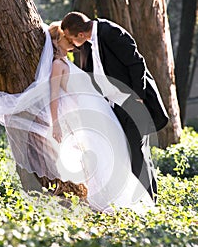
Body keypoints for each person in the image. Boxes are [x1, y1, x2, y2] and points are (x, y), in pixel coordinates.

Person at [0, 21, 155, 213]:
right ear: (55, 41)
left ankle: (119, 200)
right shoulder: (57, 65)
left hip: (100, 114)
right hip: (89, 118)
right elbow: (54, 97)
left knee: (114, 157)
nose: (71, 42)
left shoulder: (67, 62)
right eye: (65, 38)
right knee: (102, 158)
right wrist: (56, 124)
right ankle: (107, 202)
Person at [61, 12, 169, 201]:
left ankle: (150, 200)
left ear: (79, 34)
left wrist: (138, 96)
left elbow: (137, 63)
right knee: (126, 151)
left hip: (133, 102)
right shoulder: (87, 45)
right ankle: (137, 198)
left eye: (70, 38)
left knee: (136, 150)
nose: (71, 44)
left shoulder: (110, 32)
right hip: (114, 106)